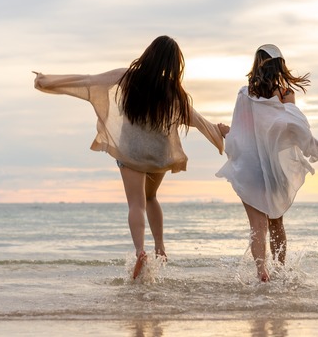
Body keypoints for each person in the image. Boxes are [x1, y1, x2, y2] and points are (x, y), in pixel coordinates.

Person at [33, 35, 227, 279]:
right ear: (174, 64)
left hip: (131, 152)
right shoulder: (172, 91)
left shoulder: (128, 76)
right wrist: (218, 133)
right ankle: (160, 247)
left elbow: (87, 82)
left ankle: (140, 252)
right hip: (158, 155)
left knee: (136, 203)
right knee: (152, 197)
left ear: (149, 54)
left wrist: (45, 80)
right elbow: (197, 119)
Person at [216, 44, 318, 282]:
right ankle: (279, 270)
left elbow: (242, 133)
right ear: (280, 65)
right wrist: (316, 145)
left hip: (251, 168)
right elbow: (291, 130)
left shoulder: (245, 94)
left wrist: (227, 133)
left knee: (257, 227)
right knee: (276, 223)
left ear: (257, 64)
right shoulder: (285, 94)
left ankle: (260, 273)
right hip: (275, 169)